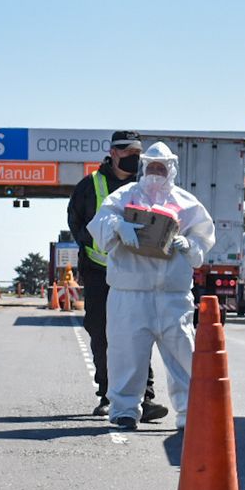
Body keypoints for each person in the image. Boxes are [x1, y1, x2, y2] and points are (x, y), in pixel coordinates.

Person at [87, 142, 215, 430]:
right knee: (126, 355)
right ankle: (124, 411)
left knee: (183, 357)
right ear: (144, 167)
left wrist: (188, 244)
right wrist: (119, 227)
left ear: (171, 168)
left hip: (172, 296)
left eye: (162, 166)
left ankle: (188, 414)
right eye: (152, 166)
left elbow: (203, 241)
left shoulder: (187, 203)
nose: (156, 171)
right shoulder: (124, 196)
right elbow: (101, 222)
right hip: (130, 293)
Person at [65, 130, 161, 419]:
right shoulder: (89, 186)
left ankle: (145, 397)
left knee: (139, 333)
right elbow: (77, 225)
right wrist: (107, 241)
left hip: (136, 272)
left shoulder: (145, 186)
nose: (133, 158)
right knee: (102, 333)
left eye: (137, 153)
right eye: (128, 152)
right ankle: (107, 395)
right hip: (99, 272)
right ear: (113, 152)